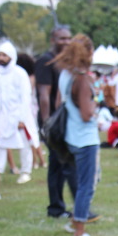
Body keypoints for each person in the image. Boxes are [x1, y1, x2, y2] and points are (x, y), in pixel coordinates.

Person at [55, 34, 100, 236]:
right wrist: (95, 102)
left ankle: (74, 223)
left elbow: (59, 102)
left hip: (71, 136)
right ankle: (79, 231)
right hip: (85, 138)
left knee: (81, 183)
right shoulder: (81, 79)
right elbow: (85, 113)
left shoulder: (65, 74)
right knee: (86, 186)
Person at [35, 26, 78, 218]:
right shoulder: (45, 61)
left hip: (64, 121)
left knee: (63, 165)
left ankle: (62, 207)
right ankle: (56, 208)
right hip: (54, 123)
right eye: (62, 39)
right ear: (53, 39)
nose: (66, 42)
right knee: (59, 166)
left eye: (69, 38)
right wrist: (46, 125)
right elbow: (44, 95)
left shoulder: (63, 61)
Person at [0, 41, 38, 184]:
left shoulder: (20, 73)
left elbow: (25, 96)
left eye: (4, 55)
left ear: (11, 56)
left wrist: (22, 118)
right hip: (3, 115)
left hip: (18, 114)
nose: (0, 58)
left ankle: (26, 171)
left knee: (23, 144)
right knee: (0, 144)